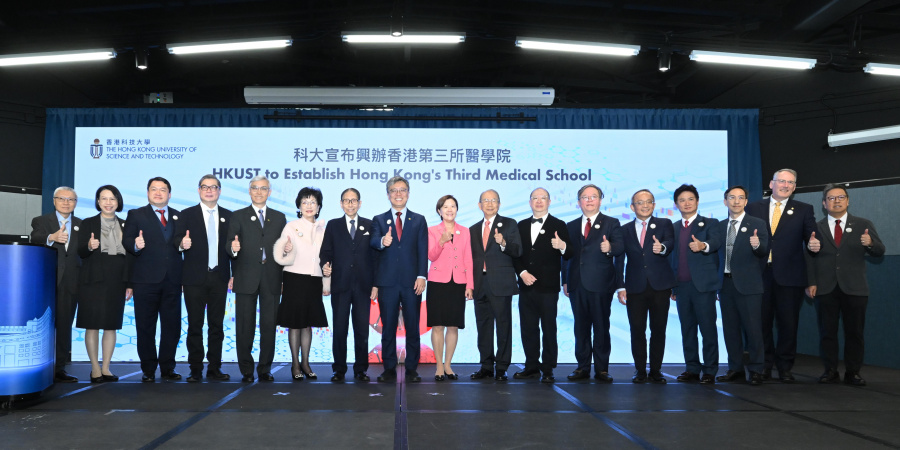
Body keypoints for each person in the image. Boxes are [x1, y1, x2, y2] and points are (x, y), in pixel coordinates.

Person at [805, 184, 885, 386]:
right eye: (831, 198)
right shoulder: (816, 227)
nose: (837, 201)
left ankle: (853, 372)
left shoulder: (862, 224)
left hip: (855, 287)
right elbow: (808, 258)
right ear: (824, 204)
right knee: (827, 332)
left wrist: (870, 244)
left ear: (848, 201)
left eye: (841, 197)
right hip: (825, 287)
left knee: (855, 332)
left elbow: (880, 250)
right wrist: (811, 282)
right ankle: (830, 371)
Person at [745, 169, 816, 382]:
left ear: (794, 187)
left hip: (791, 276)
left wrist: (815, 244)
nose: (785, 185)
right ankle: (764, 365)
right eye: (781, 181)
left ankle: (785, 367)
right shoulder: (753, 207)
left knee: (788, 324)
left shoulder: (804, 209)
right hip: (759, 275)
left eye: (790, 182)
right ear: (771, 183)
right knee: (761, 323)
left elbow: (812, 237)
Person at [123, 177, 184, 382]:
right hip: (145, 280)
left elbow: (179, 244)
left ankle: (168, 367)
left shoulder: (178, 216)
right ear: (148, 192)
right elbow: (127, 240)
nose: (158, 193)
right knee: (145, 326)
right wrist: (136, 244)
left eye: (163, 189)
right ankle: (148, 369)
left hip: (173, 280)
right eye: (154, 189)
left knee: (172, 326)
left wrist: (184, 244)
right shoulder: (136, 214)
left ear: (169, 193)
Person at [227, 176, 287, 382]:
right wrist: (232, 249)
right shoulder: (237, 216)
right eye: (255, 188)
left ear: (270, 192)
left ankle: (265, 369)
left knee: (269, 325)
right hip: (245, 277)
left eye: (263, 188)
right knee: (245, 325)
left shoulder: (279, 218)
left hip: (271, 277)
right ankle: (246, 369)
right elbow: (229, 245)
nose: (259, 192)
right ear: (249, 191)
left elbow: (283, 249)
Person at [562, 184, 624, 383]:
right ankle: (582, 367)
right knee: (580, 328)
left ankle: (602, 369)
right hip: (576, 283)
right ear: (579, 201)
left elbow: (620, 248)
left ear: (600, 200)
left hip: (601, 284)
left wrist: (610, 247)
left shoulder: (611, 223)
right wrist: (564, 280)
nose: (589, 200)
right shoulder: (570, 226)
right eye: (585, 197)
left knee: (601, 327)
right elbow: (565, 256)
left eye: (593, 197)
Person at [174, 174, 233, 382]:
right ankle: (196, 368)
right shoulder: (186, 214)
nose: (209, 190)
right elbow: (176, 241)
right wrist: (182, 244)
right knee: (195, 325)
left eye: (213, 187)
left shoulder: (229, 216)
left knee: (216, 326)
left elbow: (233, 247)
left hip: (219, 277)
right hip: (194, 279)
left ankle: (215, 367)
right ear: (199, 190)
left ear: (219, 191)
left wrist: (233, 271)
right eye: (205, 187)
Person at [369, 176, 428, 383]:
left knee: (412, 326)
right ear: (388, 195)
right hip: (387, 282)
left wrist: (422, 276)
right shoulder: (378, 219)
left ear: (408, 194)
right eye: (394, 190)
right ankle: (389, 368)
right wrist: (383, 241)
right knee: (389, 327)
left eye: (402, 190)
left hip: (413, 282)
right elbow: (373, 242)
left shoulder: (419, 219)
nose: (398, 194)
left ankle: (412, 368)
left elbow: (422, 249)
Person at [512, 188, 571, 383]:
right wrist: (522, 273)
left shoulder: (559, 225)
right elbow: (515, 254)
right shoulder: (520, 226)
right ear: (530, 202)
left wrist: (562, 245)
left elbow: (569, 253)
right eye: (535, 198)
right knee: (528, 328)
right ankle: (531, 366)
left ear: (549, 201)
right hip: (526, 286)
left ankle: (548, 368)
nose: (539, 201)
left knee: (548, 327)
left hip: (548, 287)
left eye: (543, 198)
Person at [618, 190, 676, 384]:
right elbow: (620, 259)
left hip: (660, 286)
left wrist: (663, 248)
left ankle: (656, 370)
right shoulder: (624, 229)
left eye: (648, 202)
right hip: (634, 287)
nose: (645, 205)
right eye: (640, 202)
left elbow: (670, 242)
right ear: (632, 207)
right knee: (637, 330)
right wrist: (620, 286)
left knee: (658, 329)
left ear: (653, 205)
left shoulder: (664, 224)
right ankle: (640, 370)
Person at [320, 188, 378, 382]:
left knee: (361, 329)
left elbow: (376, 257)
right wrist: (325, 266)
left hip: (364, 285)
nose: (350, 204)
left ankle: (361, 369)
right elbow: (325, 252)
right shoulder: (333, 225)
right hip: (340, 284)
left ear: (360, 203)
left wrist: (375, 284)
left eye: (354, 201)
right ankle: (339, 369)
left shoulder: (370, 224)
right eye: (347, 200)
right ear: (341, 203)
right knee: (340, 328)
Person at [75, 185, 132, 383]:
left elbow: (131, 257)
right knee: (92, 325)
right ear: (98, 202)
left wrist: (130, 283)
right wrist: (89, 246)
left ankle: (106, 368)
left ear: (118, 202)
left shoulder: (126, 224)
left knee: (111, 326)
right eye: (104, 198)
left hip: (117, 278)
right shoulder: (87, 224)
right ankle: (94, 368)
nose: (108, 202)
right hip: (93, 277)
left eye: (112, 199)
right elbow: (80, 251)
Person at [274, 187, 330, 381]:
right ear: (299, 206)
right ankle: (295, 364)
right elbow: (279, 255)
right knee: (295, 324)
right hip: (294, 277)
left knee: (307, 324)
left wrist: (326, 279)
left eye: (312, 202)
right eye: (304, 202)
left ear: (319, 206)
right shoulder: (291, 226)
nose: (308, 206)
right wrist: (285, 248)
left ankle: (306, 363)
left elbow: (327, 257)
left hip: (314, 279)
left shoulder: (324, 228)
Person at [715, 185, 769, 386]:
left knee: (753, 329)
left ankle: (756, 369)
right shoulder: (719, 226)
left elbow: (763, 251)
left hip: (749, 286)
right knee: (730, 329)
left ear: (746, 201)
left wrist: (757, 245)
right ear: (725, 201)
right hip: (725, 285)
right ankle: (735, 368)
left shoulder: (757, 224)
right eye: (732, 197)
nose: (736, 201)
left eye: (740, 198)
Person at [669, 184, 722, 385]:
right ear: (676, 204)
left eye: (690, 199)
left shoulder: (710, 223)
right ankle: (692, 368)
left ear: (697, 201)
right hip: (682, 287)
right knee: (687, 329)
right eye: (682, 200)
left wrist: (703, 246)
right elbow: (671, 259)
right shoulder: (673, 228)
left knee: (708, 329)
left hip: (704, 287)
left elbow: (716, 242)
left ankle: (710, 370)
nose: (687, 203)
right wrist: (673, 287)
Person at [30, 186, 82, 382]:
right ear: (54, 200)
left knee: (64, 325)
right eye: (62, 198)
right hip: (47, 282)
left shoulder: (80, 224)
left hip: (71, 282)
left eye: (71, 199)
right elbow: (35, 237)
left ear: (75, 203)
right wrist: (51, 237)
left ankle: (59, 368)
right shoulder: (42, 221)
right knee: (44, 326)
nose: (66, 202)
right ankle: (40, 365)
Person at [469, 189, 522, 382]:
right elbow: (471, 259)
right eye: (486, 200)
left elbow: (517, 251)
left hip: (501, 283)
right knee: (483, 326)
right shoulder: (473, 229)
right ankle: (485, 366)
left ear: (499, 204)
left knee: (503, 325)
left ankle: (501, 367)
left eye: (494, 200)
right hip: (479, 283)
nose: (490, 204)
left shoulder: (509, 224)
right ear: (479, 205)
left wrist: (503, 243)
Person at [427, 195, 474, 381]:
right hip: (437, 282)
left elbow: (468, 259)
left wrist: (470, 284)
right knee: (438, 325)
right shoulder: (432, 231)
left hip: (458, 282)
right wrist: (442, 241)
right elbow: (431, 256)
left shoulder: (465, 231)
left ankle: (448, 365)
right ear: (439, 211)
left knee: (453, 326)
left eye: (453, 206)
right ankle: (439, 366)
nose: (449, 209)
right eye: (445, 206)